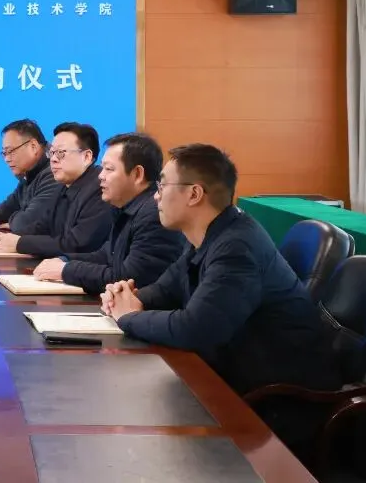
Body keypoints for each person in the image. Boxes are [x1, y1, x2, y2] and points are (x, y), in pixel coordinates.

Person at [102, 144, 340, 456]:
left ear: (194, 194)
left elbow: (195, 328)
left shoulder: (236, 248)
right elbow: (164, 290)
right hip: (231, 380)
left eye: (162, 185)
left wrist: (128, 317)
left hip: (275, 407)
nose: (156, 196)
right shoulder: (208, 235)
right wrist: (125, 297)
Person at [32, 132, 184, 294]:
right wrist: (64, 260)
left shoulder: (154, 214)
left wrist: (66, 270)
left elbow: (129, 279)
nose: (101, 176)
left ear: (137, 174)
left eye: (109, 169)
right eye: (102, 168)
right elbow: (106, 255)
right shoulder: (123, 207)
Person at [0, 121, 113, 257]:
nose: (53, 159)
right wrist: (5, 239)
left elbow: (78, 245)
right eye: (52, 152)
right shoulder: (63, 186)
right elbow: (39, 226)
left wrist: (19, 244)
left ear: (86, 157)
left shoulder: (101, 189)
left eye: (60, 153)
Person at [0, 119, 59, 235]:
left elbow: (29, 222)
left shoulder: (55, 172)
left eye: (11, 151)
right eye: (4, 153)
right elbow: (9, 208)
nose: (7, 159)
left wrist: (12, 222)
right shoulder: (29, 174)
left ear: (33, 146)